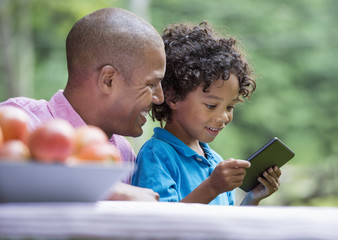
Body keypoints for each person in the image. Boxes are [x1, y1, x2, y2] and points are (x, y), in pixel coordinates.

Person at [0, 7, 166, 201]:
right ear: (108, 80)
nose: (160, 98)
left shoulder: (122, 152)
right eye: (151, 84)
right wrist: (111, 191)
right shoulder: (19, 120)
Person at [131, 22, 281, 205]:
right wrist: (212, 187)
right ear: (173, 97)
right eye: (211, 106)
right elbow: (161, 225)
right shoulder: (157, 155)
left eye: (230, 107)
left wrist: (253, 197)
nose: (224, 117)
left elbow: (226, 226)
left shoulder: (216, 162)